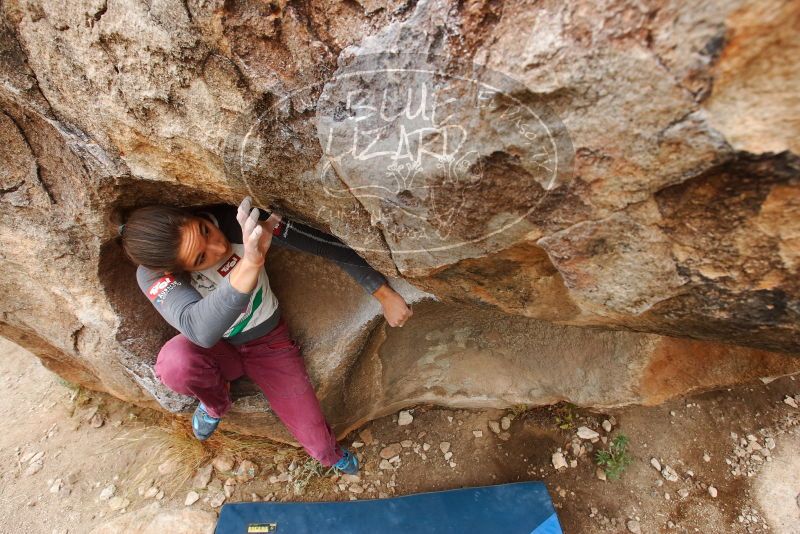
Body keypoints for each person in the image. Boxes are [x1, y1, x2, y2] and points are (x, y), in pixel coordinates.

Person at [119, 197, 412, 475]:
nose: (218, 248)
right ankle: (215, 404)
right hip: (218, 349)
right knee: (175, 364)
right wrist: (250, 262)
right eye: (200, 258)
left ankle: (332, 457)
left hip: (269, 344)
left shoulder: (238, 223)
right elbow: (200, 331)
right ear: (174, 269)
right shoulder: (154, 275)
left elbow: (326, 244)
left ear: (192, 214)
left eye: (205, 231)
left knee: (318, 443)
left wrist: (383, 293)